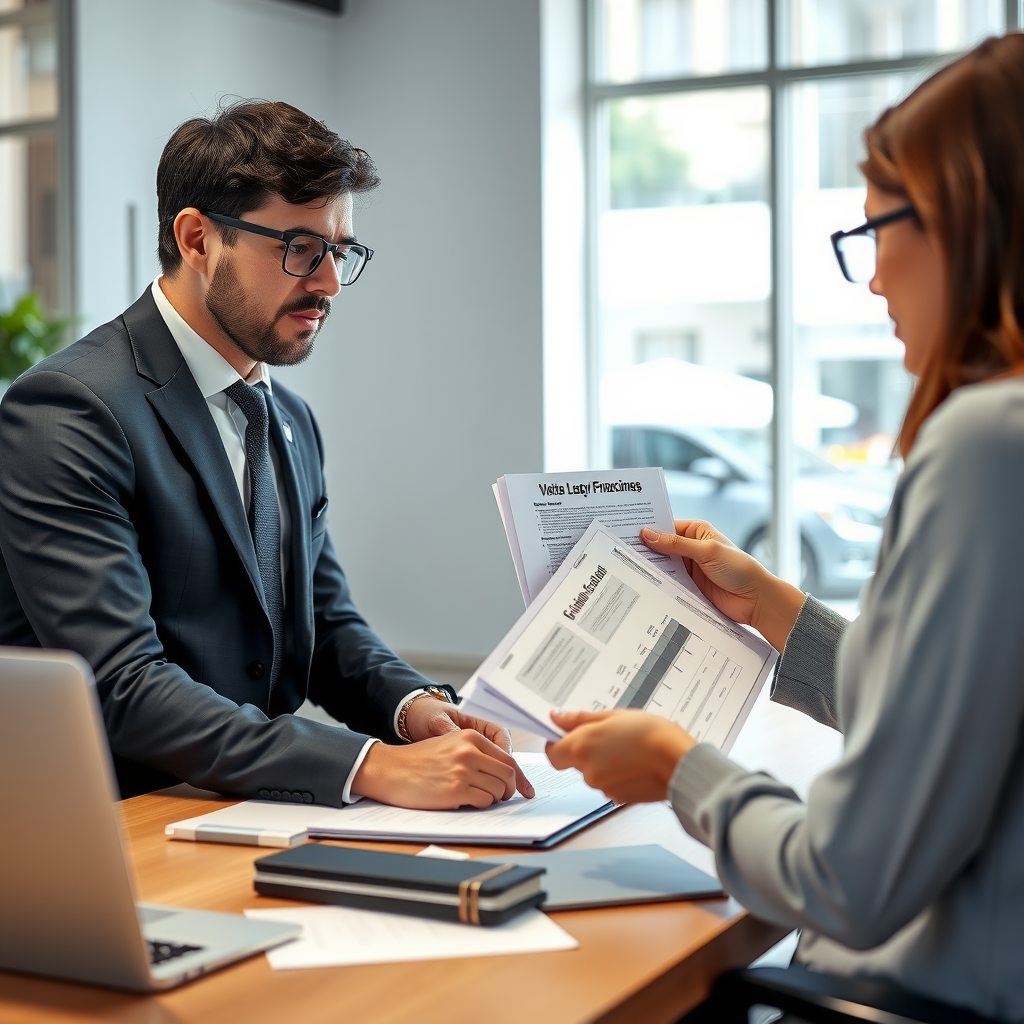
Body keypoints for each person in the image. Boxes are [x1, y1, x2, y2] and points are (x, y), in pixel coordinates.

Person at [547, 34, 1024, 1023]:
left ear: (966, 223)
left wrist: (679, 769)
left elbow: (843, 878)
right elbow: (965, 711)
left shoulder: (986, 441)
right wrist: (774, 610)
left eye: (876, 231)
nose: (875, 276)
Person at [0, 100, 533, 810]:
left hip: (244, 812)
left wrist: (413, 708)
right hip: (109, 824)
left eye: (340, 250)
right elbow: (122, 682)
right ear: (197, 239)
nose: (329, 282)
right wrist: (367, 766)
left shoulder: (289, 419)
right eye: (300, 248)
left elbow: (325, 623)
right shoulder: (70, 409)